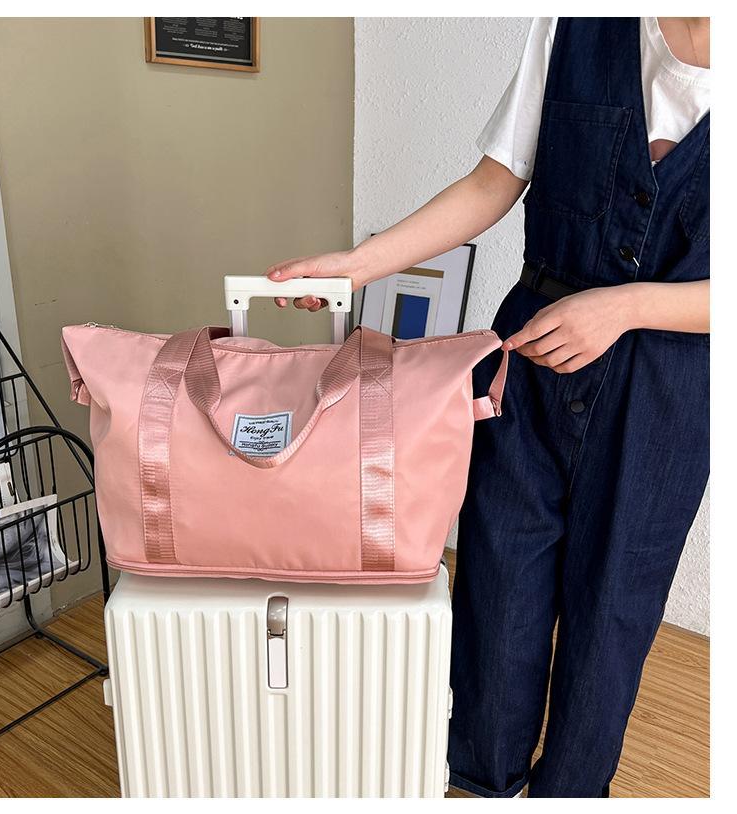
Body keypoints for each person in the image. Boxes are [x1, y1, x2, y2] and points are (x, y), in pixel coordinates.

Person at [266, 17, 709, 798]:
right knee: (498, 581)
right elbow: (494, 181)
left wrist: (628, 306)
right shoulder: (575, 22)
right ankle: (480, 782)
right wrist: (357, 265)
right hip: (528, 363)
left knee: (611, 609)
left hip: (666, 390)